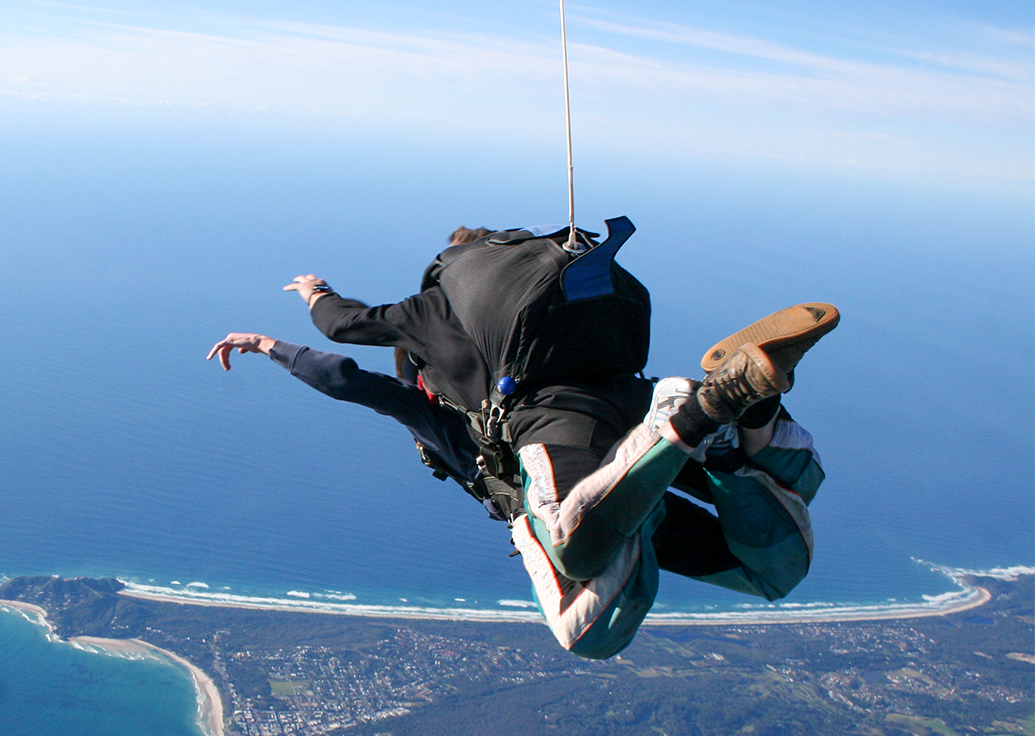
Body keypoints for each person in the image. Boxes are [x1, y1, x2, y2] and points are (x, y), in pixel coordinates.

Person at [207, 226, 836, 659]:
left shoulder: (438, 383)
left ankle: (690, 420)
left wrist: (276, 337)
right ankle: (744, 414)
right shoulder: (534, 319)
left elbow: (349, 376)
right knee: (772, 570)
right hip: (631, 417)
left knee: (584, 612)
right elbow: (349, 370)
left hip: (572, 446)